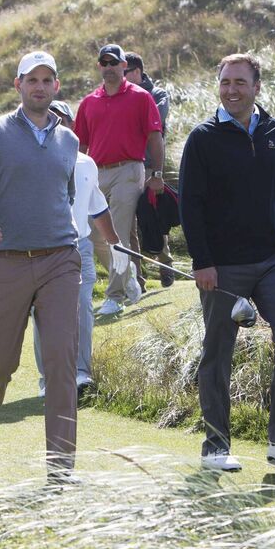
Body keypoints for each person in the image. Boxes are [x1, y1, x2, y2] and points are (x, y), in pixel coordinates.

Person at [0, 51, 121, 482]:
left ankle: (61, 466)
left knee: (61, 361)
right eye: (32, 79)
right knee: (1, 361)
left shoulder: (70, 141)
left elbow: (66, 200)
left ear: (56, 87)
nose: (40, 87)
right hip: (4, 261)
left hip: (60, 260)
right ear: (18, 85)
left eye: (48, 80)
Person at [180, 53, 275, 474]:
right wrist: (202, 262)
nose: (232, 89)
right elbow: (190, 205)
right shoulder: (202, 138)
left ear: (257, 87)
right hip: (222, 266)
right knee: (218, 352)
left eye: (240, 82)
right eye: (225, 82)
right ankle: (215, 447)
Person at [33, 100, 128, 398]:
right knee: (44, 314)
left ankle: (82, 372)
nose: (56, 124)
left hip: (80, 247)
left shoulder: (87, 163)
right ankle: (49, 377)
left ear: (72, 125)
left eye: (62, 119)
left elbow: (98, 207)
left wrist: (116, 244)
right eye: (51, 118)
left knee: (83, 308)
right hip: (41, 249)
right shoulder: (31, 160)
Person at [74, 43, 165, 316]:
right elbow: (80, 146)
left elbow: (155, 137)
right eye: (104, 63)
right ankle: (129, 278)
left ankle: (115, 296)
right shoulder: (89, 102)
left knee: (119, 231)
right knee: (91, 233)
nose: (109, 67)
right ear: (99, 66)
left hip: (130, 169)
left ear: (124, 65)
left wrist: (157, 174)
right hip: (95, 172)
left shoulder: (140, 97)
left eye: (114, 62)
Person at [124, 51, 175, 288]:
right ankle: (137, 279)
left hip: (148, 166)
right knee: (128, 224)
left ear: (136, 72)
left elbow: (152, 124)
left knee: (151, 217)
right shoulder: (119, 96)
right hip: (126, 166)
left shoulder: (158, 95)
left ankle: (165, 263)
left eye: (125, 72)